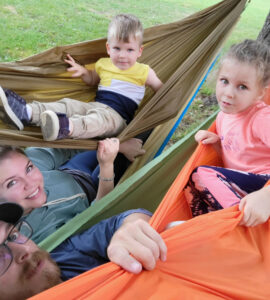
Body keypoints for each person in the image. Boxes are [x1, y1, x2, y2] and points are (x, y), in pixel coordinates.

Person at [0, 14, 163, 141]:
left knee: (99, 121)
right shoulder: (103, 64)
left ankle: (66, 127)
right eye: (117, 48)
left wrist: (160, 108)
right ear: (108, 48)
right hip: (95, 105)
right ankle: (26, 113)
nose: (122, 55)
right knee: (68, 105)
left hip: (117, 119)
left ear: (139, 51)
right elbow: (93, 80)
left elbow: (162, 90)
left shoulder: (144, 71)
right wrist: (83, 72)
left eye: (129, 50)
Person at [0, 202, 167, 300]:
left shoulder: (67, 254)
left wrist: (129, 231)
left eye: (13, 236)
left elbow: (127, 219)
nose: (24, 251)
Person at [185, 39, 270, 227]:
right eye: (224, 81)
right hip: (240, 185)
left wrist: (267, 195)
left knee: (202, 174)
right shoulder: (224, 116)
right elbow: (239, 155)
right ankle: (207, 226)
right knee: (191, 190)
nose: (229, 93)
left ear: (259, 94)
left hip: (263, 186)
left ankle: (233, 222)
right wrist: (217, 144)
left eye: (242, 87)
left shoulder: (261, 118)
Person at [0, 137, 145, 243]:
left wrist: (119, 143)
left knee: (125, 136)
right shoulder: (34, 236)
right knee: (138, 145)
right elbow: (98, 217)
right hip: (98, 193)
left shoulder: (24, 159)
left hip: (74, 170)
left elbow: (68, 146)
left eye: (29, 168)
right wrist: (106, 166)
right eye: (12, 183)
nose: (30, 183)